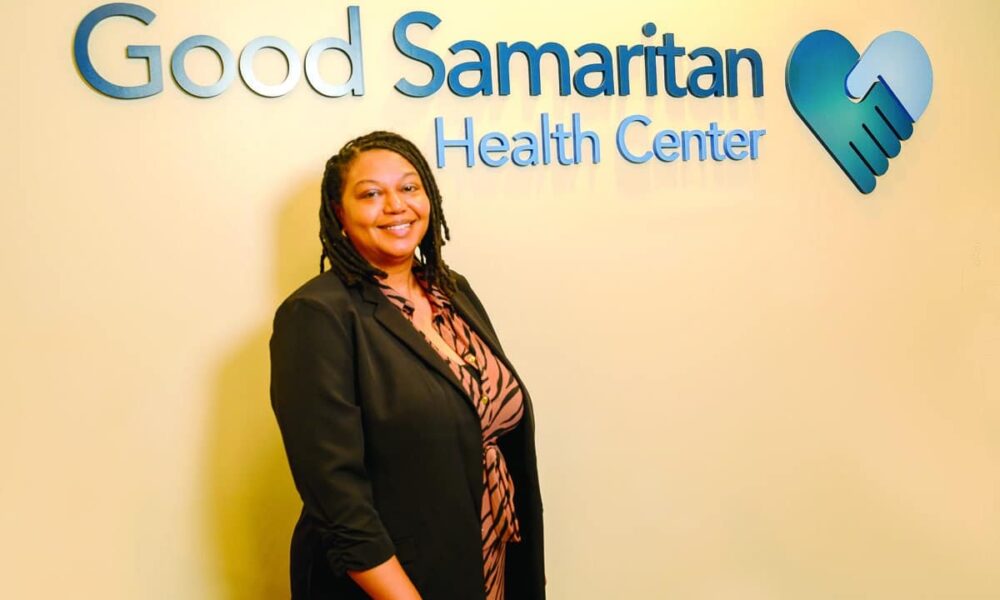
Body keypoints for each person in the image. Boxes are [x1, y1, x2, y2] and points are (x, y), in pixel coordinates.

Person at [269, 131, 546, 600]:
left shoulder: (451, 290)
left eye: (409, 188)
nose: (396, 206)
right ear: (340, 214)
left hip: (484, 556)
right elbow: (338, 502)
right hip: (392, 584)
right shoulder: (317, 316)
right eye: (371, 194)